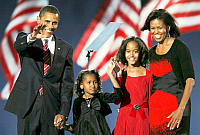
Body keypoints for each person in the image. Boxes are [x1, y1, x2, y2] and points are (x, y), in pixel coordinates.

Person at [4, 5, 74, 135]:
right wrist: (32, 36)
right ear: (38, 20)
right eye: (47, 21)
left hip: (52, 107)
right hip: (28, 105)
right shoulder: (27, 41)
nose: (51, 26)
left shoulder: (66, 48)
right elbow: (18, 46)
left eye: (55, 23)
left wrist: (63, 112)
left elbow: (67, 84)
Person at [140, 9, 195, 135]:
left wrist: (181, 110)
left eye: (159, 27)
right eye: (152, 28)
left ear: (168, 28)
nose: (156, 32)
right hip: (155, 111)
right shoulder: (151, 52)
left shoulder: (179, 47)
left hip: (176, 109)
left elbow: (190, 81)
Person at [61, 69, 124, 135]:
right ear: (81, 85)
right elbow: (76, 126)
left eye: (95, 82)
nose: (92, 85)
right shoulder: (77, 102)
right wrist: (65, 127)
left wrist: (111, 75)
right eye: (89, 82)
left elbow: (118, 96)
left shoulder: (100, 97)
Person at [112, 36, 152, 135]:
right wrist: (118, 77)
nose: (132, 54)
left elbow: (151, 101)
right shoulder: (121, 74)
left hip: (143, 118)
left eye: (135, 51)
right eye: (128, 51)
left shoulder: (148, 75)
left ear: (141, 53)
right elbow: (116, 100)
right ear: (124, 53)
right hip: (124, 117)